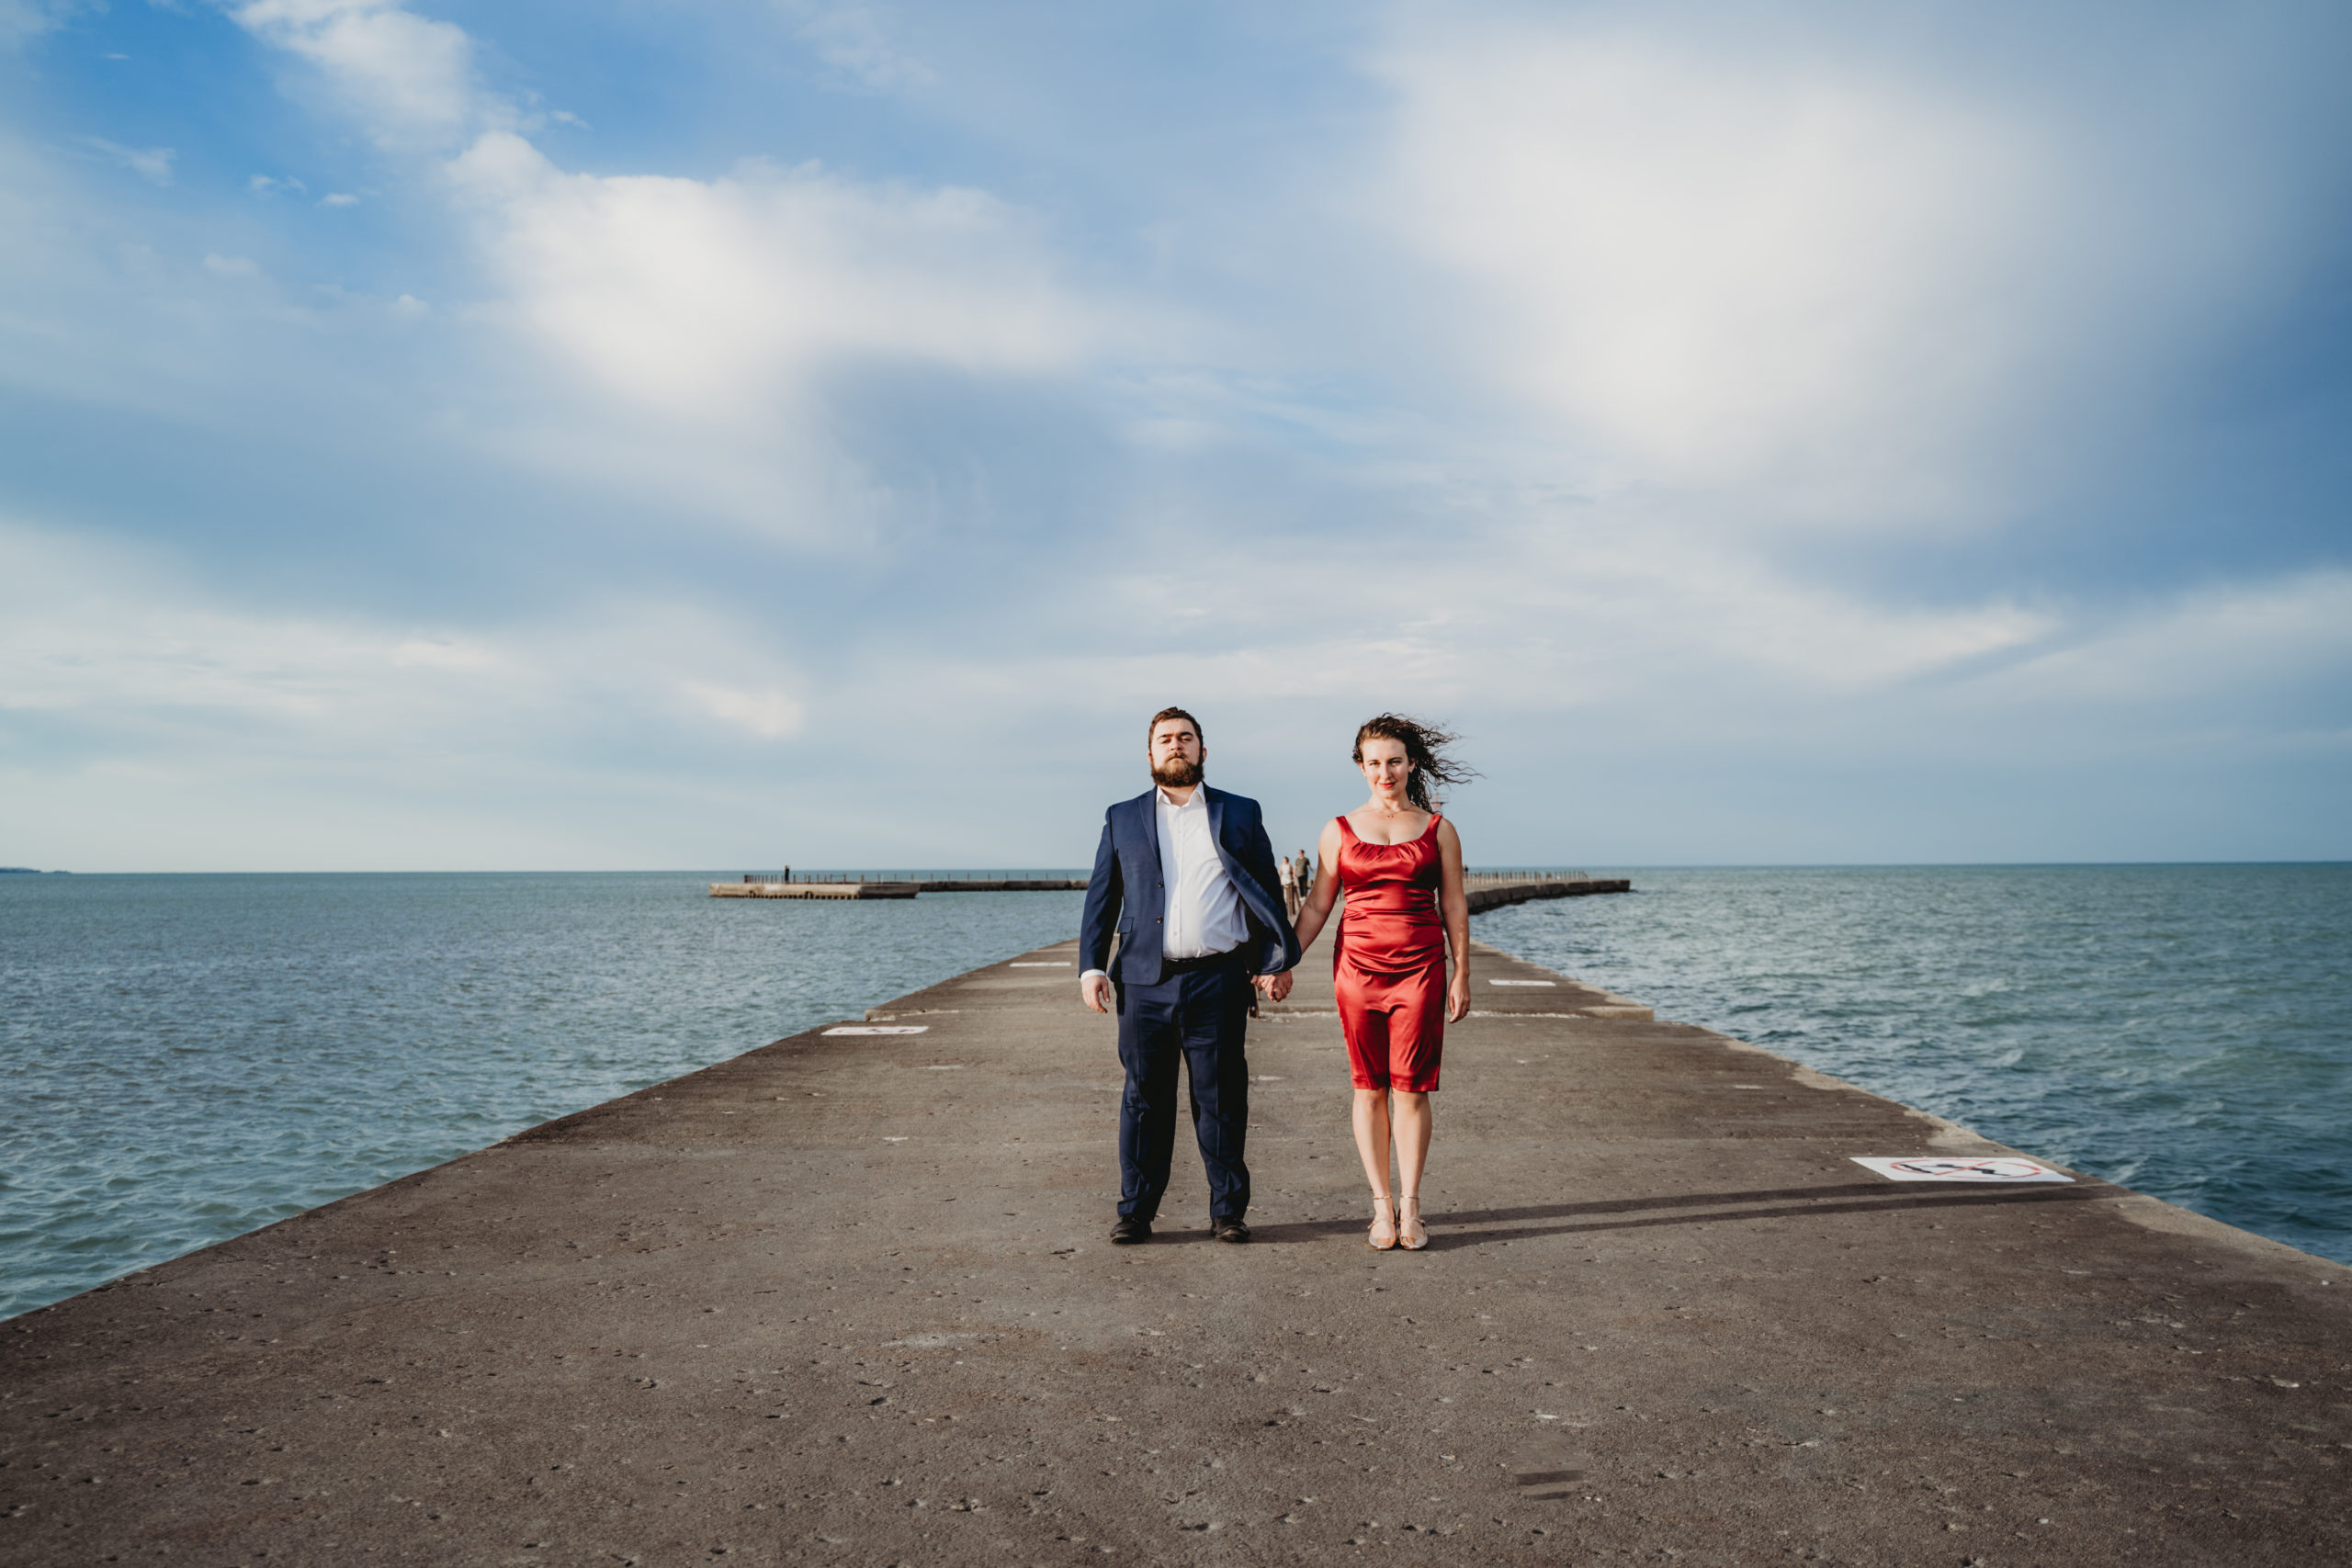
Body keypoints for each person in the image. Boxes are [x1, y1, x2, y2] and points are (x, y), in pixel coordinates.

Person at [1080, 707, 1302, 1245]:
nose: (1176, 745)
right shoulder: (1122, 817)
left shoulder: (1240, 812)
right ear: (1150, 754)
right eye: (1165, 739)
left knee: (1222, 1098)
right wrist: (1090, 966)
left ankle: (1228, 1211)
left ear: (1204, 749)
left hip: (1218, 979)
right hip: (1142, 981)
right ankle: (1135, 1211)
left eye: (1186, 737)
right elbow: (1102, 897)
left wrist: (1276, 962)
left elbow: (1266, 896)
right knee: (1143, 1099)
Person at [1288, 715, 1473, 1251]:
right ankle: (1379, 1208)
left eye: (1394, 761)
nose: (1384, 772)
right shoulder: (1338, 829)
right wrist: (1283, 960)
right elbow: (1319, 904)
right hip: (1356, 970)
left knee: (1412, 1089)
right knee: (1368, 1088)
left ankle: (1411, 1206)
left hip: (1421, 969)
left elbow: (1454, 904)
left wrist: (1462, 971)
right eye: (1374, 763)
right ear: (1360, 766)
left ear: (1410, 762)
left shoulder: (1439, 829)